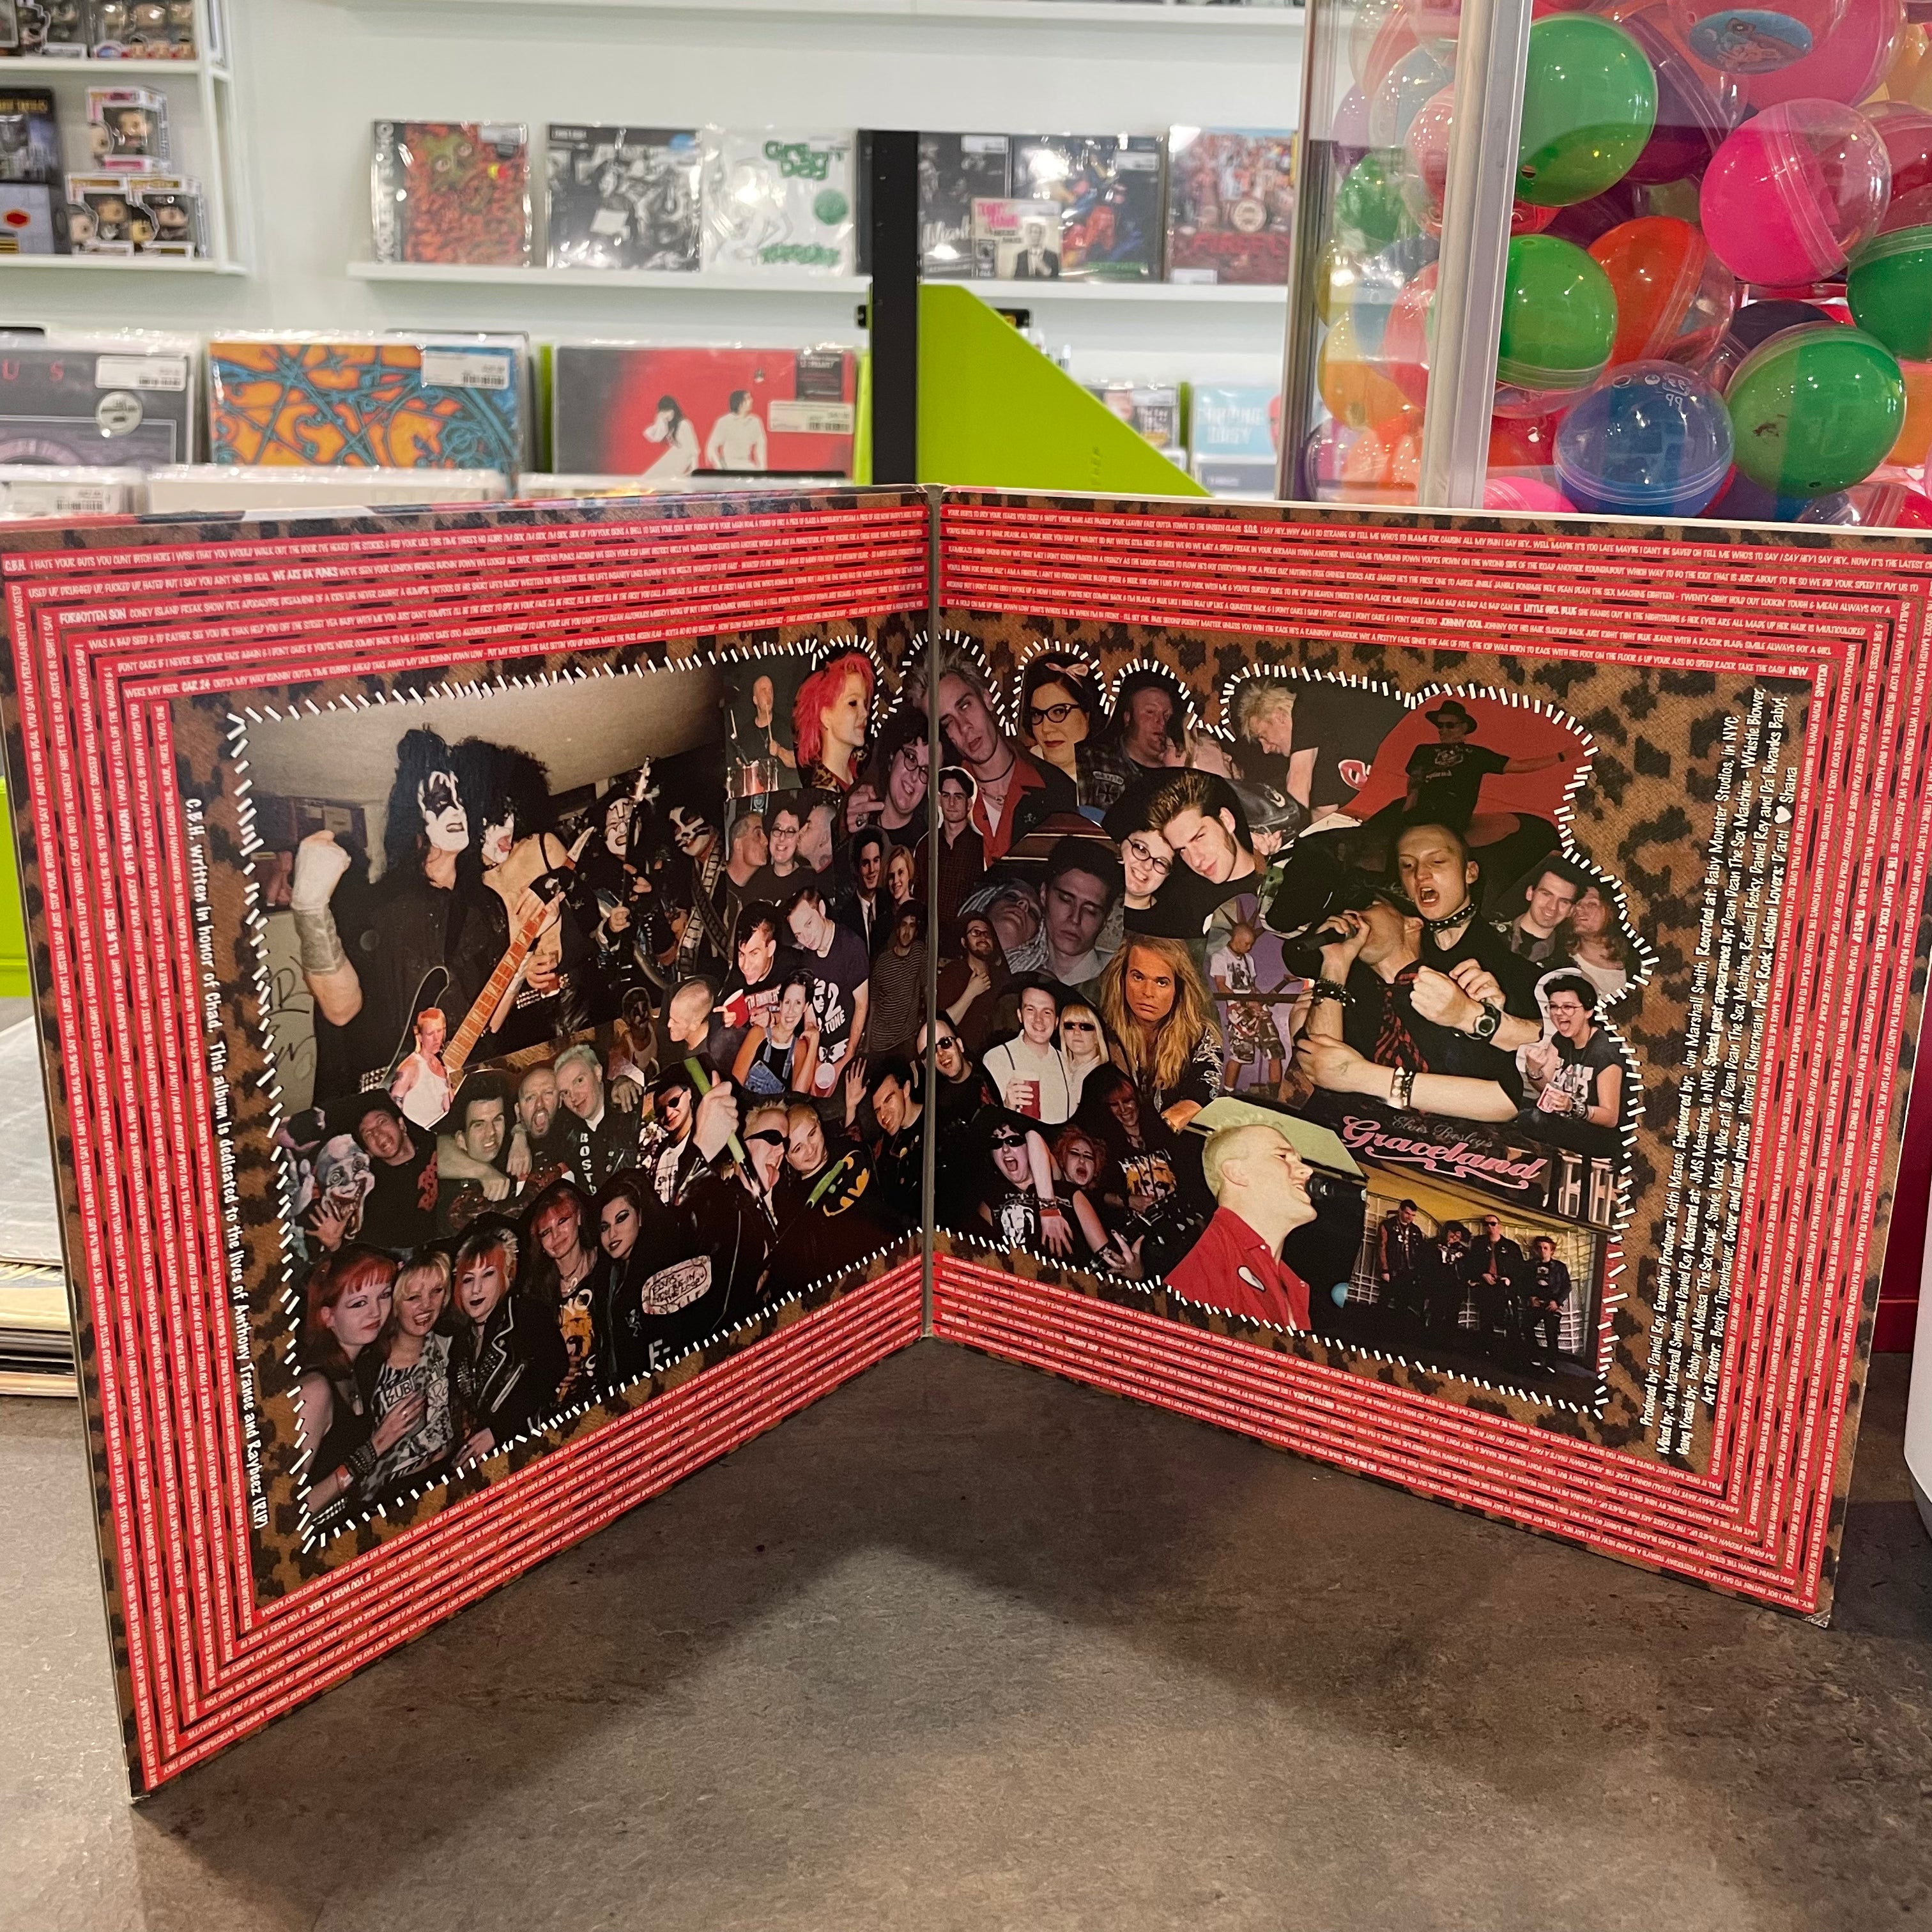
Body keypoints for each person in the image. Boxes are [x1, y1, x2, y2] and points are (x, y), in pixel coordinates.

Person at [289, 727, 487, 1098]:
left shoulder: (476, 909)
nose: (457, 810)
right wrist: (310, 906)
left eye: (461, 799)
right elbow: (340, 1008)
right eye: (440, 799)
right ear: (414, 819)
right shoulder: (382, 903)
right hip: (384, 1101)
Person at [1293, 894, 1525, 1124]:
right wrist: (1335, 963)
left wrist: (1361, 1075)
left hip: (1464, 1143)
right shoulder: (1343, 1003)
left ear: (1412, 923)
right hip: (1365, 1140)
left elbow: (1511, 1097)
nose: (1351, 915)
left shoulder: (1464, 987)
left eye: (1370, 905)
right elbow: (1321, 1070)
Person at [298, 1246, 419, 1522]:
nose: (375, 1312)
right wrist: (375, 1447)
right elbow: (288, 1511)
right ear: (328, 1316)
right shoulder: (314, 1390)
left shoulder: (360, 1366)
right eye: (359, 1303)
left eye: (384, 1296)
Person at [1392, 820, 1544, 1039]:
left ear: (1470, 872)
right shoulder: (1401, 939)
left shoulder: (1510, 950)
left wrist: (1493, 1019)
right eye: (1407, 865)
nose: (1420, 874)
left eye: (1437, 861)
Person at [1164, 1121, 1317, 1331]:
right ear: (1236, 1172)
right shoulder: (1206, 1265)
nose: (1307, 1171)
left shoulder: (1293, 1285)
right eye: (1282, 1156)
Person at [448, 1222, 570, 1464]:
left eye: (488, 1275)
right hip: (488, 1466)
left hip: (535, 1453)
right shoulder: (460, 1343)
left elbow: (552, 1369)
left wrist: (498, 1431)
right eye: (468, 1279)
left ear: (507, 1276)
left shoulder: (526, 1314)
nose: (476, 1289)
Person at [935, 665, 1077, 861]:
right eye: (948, 723)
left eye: (965, 706)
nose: (964, 727)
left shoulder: (1058, 790)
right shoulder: (939, 803)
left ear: (987, 698)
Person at [1096, 936, 1221, 1133]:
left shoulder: (1199, 1035)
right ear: (1123, 978)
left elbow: (1208, 1087)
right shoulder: (1099, 1032)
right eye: (1138, 977)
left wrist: (1175, 1118)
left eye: (1161, 982)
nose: (1148, 992)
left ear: (1178, 989)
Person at [358, 1247, 456, 1496]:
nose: (426, 1306)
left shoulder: (452, 1345)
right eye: (413, 1298)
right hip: (394, 1493)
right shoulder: (369, 1367)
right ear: (394, 1305)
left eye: (436, 1292)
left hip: (448, 1475)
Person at [1402, 698, 1567, 833]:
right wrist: (1409, 806)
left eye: (1450, 725)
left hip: (1453, 810)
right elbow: (1415, 779)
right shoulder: (1424, 750)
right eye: (1440, 725)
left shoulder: (1476, 754)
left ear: (1464, 727)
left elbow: (1518, 765)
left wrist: (1560, 757)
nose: (1443, 730)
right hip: (1423, 806)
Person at [1142, 768, 1268, 940]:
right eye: (1182, 850)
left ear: (1226, 820)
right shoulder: (1185, 904)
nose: (1196, 860)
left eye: (1199, 837)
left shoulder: (1279, 871)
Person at [522, 1177, 606, 1404]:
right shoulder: (536, 1295)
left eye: (562, 1221)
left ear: (578, 1217)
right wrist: (551, 1375)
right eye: (546, 1232)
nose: (556, 1236)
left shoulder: (607, 1265)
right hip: (565, 1408)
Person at [1522, 972, 1625, 1158]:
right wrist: (1533, 1069)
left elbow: (1610, 1118)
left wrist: (1571, 1106)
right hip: (1567, 1122)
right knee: (1520, 1105)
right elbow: (1545, 1088)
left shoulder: (1604, 1050)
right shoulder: (1561, 1039)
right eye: (1553, 1007)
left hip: (1599, 1136)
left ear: (1588, 1012)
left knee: (1533, 1119)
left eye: (1568, 1007)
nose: (1558, 1013)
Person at [783, 884, 870, 1101]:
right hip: (821, 1049)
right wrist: (814, 1058)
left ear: (821, 909)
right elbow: (810, 1011)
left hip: (848, 1044)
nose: (806, 938)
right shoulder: (807, 958)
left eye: (809, 924)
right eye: (798, 934)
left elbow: (862, 1005)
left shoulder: (851, 946)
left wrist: (847, 1058)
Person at [1002, 837, 1121, 988]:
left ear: (1104, 918)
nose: (1075, 919)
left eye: (1090, 910)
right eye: (1066, 900)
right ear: (1044, 895)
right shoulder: (1016, 968)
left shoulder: (1119, 977)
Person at [349, 1092, 440, 1255]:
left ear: (401, 1125)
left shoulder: (430, 1142)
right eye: (368, 1134)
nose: (377, 1133)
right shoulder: (379, 1197)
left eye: (382, 1122)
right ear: (369, 1152)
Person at [1082, 669, 1185, 809]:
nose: (1161, 722)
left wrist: (1176, 774)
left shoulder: (1182, 767)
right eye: (1150, 712)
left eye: (1166, 716)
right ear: (1128, 718)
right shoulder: (1092, 760)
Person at [983, 977, 1078, 1126]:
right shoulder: (996, 1059)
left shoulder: (1069, 1064)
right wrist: (1007, 1106)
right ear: (1020, 1015)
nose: (1038, 1019)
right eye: (1030, 1010)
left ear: (1056, 1022)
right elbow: (987, 1124)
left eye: (1047, 1012)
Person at [433, 1076, 517, 1234]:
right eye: (479, 1125)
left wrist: (520, 1135)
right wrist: (484, 1172)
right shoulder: (452, 1203)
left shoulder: (513, 1152)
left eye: (497, 1120)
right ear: (461, 1139)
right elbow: (434, 1150)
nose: (491, 1132)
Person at [1208, 922, 1284, 1096]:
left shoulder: (1249, 960)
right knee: (1239, 1055)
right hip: (1238, 1011)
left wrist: (1259, 1001)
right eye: (1247, 943)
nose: (1250, 948)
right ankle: (1228, 1093)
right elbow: (1221, 985)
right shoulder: (1220, 957)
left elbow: (1251, 986)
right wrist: (1244, 1003)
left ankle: (1275, 1093)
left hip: (1256, 1007)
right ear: (1236, 939)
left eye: (1251, 944)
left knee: (1275, 1051)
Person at [1019, 654, 1104, 804]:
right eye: (1037, 715)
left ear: (1088, 714)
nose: (1045, 728)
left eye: (1058, 712)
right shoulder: (1020, 772)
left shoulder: (1116, 774)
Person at [554, 1041, 637, 1191]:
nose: (573, 1097)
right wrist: (519, 1134)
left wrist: (623, 1081)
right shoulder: (566, 1130)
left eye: (579, 1081)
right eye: (565, 1093)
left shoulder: (629, 1107)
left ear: (598, 1073)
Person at [853, 1054, 924, 1223]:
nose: (883, 1116)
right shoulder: (885, 1145)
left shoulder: (938, 1123)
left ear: (906, 1089)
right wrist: (851, 1108)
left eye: (888, 1100)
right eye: (878, 1110)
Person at [917, 763, 986, 940]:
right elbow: (919, 894)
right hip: (929, 938)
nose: (952, 803)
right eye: (946, 796)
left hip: (966, 938)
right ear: (939, 800)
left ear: (969, 803)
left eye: (958, 796)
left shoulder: (981, 848)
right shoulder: (926, 845)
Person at [793, 649, 875, 792]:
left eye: (865, 703)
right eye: (853, 703)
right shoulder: (822, 795)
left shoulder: (870, 768)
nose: (865, 713)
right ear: (825, 716)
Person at [733, 971, 821, 1098]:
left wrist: (814, 1044)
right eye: (787, 1002)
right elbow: (736, 1083)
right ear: (780, 1004)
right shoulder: (758, 1033)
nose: (791, 1011)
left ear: (805, 1007)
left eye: (798, 1003)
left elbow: (799, 1094)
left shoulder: (800, 1047)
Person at [845, 709, 930, 840]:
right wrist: (847, 832)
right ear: (892, 757)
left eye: (926, 771)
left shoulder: (927, 845)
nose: (914, 777)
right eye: (911, 758)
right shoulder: (861, 817)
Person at [937, 912, 1008, 1056]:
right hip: (964, 1057)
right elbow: (943, 1023)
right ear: (964, 942)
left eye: (987, 934)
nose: (983, 937)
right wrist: (971, 992)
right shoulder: (953, 973)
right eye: (976, 932)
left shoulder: (1002, 978)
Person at [866, 902, 929, 1060]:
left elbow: (927, 989)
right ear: (897, 929)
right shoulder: (882, 962)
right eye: (904, 925)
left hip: (905, 1040)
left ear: (916, 932)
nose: (907, 931)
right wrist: (866, 1045)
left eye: (912, 926)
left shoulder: (919, 953)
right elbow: (873, 1005)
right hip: (879, 1041)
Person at [1554, 884, 1632, 1004]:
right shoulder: (1562, 966)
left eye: (1592, 904)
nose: (1578, 909)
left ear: (1611, 912)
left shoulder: (1637, 963)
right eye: (1576, 904)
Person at [1466, 1212, 1526, 1359]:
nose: (1490, 1227)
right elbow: (1471, 1264)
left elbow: (1520, 1269)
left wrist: (1509, 1279)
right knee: (1486, 1317)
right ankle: (1486, 1349)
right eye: (1486, 1224)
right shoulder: (1479, 1244)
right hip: (1485, 1284)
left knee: (1509, 1317)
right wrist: (1482, 1275)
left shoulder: (1511, 1247)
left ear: (1500, 1226)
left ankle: (1515, 1352)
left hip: (1504, 1286)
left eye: (1493, 1224)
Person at [1505, 861, 1581, 967]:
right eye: (1546, 894)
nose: (1552, 907)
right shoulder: (1490, 929)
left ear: (1571, 911)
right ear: (1530, 893)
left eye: (1564, 901)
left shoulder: (1561, 967)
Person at [388, 1006, 451, 1130]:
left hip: (439, 1133)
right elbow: (393, 1107)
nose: (436, 1039)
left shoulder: (441, 1066)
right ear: (420, 1036)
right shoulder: (411, 1067)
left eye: (439, 1031)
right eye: (430, 1033)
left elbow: (448, 1109)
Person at [1377, 1199, 1429, 1328]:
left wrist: (1417, 1273)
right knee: (1384, 1301)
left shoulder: (1415, 1230)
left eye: (1413, 1215)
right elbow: (1382, 1247)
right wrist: (1385, 1269)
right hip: (1392, 1270)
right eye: (1407, 1213)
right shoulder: (1388, 1225)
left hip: (1408, 1273)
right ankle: (1377, 1327)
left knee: (1403, 1304)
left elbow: (1420, 1253)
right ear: (1400, 1210)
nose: (1410, 1218)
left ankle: (1397, 1330)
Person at [838, 825, 889, 954]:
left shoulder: (890, 903)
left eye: (876, 861)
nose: (872, 870)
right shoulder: (844, 916)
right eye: (866, 863)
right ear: (856, 867)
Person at [1523, 1233, 1573, 1360]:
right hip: (1536, 1303)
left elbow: (1567, 1286)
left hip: (1552, 1304)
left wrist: (1557, 1302)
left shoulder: (1560, 1267)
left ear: (1552, 1251)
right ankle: (1535, 1356)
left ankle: (1551, 1363)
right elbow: (1523, 1283)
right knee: (1525, 1326)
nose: (1542, 1251)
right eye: (1539, 1248)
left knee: (1551, 1332)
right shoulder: (1530, 1266)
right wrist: (1530, 1297)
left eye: (1546, 1248)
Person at [1057, 997, 1110, 1109]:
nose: (1076, 1032)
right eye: (1070, 1026)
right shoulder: (1057, 1069)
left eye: (1085, 1027)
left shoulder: (1104, 1079)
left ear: (1097, 1036)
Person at [704, 388, 767, 470]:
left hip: (746, 465)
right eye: (748, 398)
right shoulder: (724, 421)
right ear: (739, 402)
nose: (752, 400)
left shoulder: (755, 421)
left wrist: (762, 468)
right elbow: (711, 447)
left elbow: (761, 446)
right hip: (727, 466)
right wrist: (719, 467)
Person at [642, 393, 700, 479]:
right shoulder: (669, 427)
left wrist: (694, 470)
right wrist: (660, 420)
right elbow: (654, 436)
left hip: (682, 460)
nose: (667, 414)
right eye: (664, 412)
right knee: (650, 476)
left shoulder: (684, 424)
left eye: (668, 411)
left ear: (674, 410)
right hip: (674, 458)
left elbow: (693, 450)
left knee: (658, 478)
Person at [1013, 213, 1059, 280]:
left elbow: (1056, 279)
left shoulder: (1052, 256)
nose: (1033, 236)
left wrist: (1044, 269)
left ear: (1042, 235)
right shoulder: (1021, 256)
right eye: (1031, 232)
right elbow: (1016, 278)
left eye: (1036, 232)